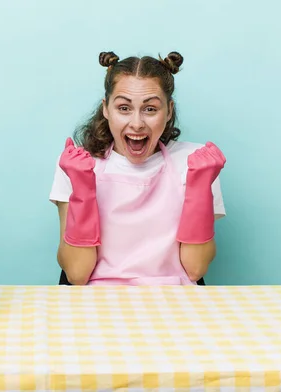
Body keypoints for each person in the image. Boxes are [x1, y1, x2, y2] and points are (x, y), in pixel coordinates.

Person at [49, 50, 227, 286]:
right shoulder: (78, 163)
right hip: (95, 302)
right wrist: (82, 189)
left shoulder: (195, 162)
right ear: (106, 108)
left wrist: (200, 187)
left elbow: (195, 269)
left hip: (174, 301)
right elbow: (76, 274)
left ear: (169, 110)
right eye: (124, 108)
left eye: (150, 109)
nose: (136, 123)